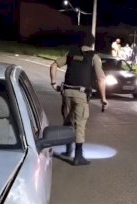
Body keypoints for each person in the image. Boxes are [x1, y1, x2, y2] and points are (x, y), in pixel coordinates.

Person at [49, 31, 108, 166]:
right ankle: (78, 156)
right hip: (81, 94)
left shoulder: (71, 53)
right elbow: (101, 78)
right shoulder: (94, 57)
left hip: (66, 92)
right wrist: (103, 98)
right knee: (80, 123)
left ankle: (68, 150)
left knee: (68, 120)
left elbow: (53, 65)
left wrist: (53, 83)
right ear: (92, 43)